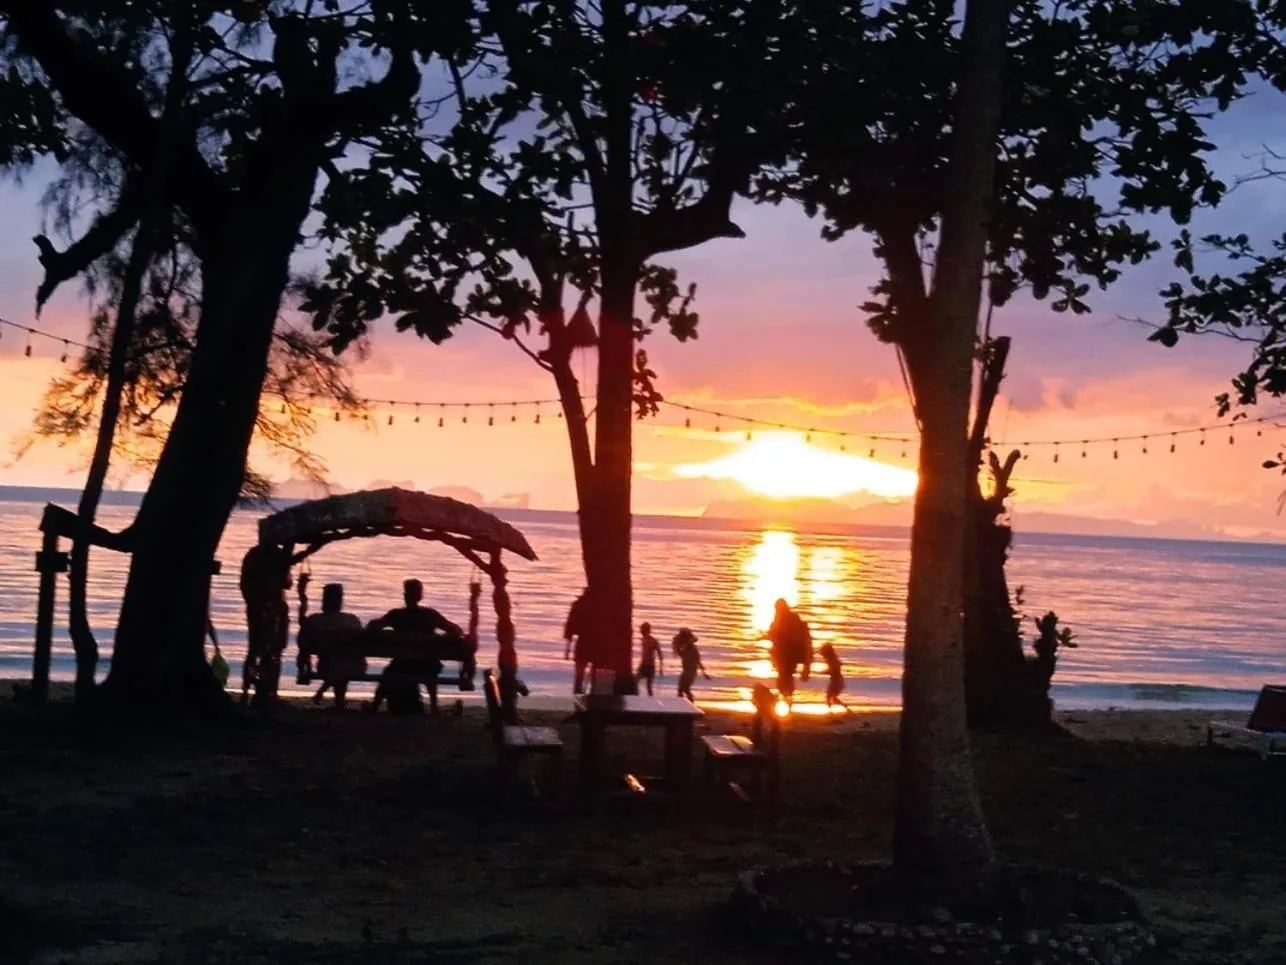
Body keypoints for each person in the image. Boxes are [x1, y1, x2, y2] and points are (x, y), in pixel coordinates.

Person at [367, 579, 464, 715]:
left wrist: (374, 623)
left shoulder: (396, 615)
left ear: (405, 595)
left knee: (388, 674)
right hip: (427, 666)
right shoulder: (430, 615)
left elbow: (372, 627)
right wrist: (441, 639)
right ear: (420, 596)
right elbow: (456, 630)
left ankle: (374, 707)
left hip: (401, 665)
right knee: (430, 672)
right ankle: (434, 707)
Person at [299, 583, 364, 708]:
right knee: (343, 662)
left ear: (324, 600)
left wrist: (304, 667)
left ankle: (326, 696)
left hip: (327, 667)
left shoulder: (315, 620)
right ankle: (338, 701)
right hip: (355, 667)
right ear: (340, 600)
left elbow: (303, 642)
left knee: (335, 663)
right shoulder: (352, 620)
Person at [764, 598, 813, 702]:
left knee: (784, 679)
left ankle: (785, 702)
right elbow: (775, 634)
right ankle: (786, 702)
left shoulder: (784, 619)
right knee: (786, 679)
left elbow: (777, 635)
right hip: (788, 657)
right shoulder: (790, 618)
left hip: (787, 656)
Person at [563, 588, 601, 695]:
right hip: (595, 642)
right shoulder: (598, 605)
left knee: (580, 673)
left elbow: (570, 627)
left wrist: (568, 648)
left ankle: (578, 693)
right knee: (594, 672)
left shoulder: (578, 605)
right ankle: (591, 693)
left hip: (584, 642)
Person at [674, 628, 710, 702]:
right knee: (681, 689)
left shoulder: (693, 649)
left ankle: (690, 704)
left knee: (685, 689)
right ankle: (682, 704)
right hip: (686, 670)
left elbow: (698, 660)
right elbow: (681, 654)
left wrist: (703, 672)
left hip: (691, 671)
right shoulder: (686, 648)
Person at [636, 621, 664, 697]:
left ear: (647, 630)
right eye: (642, 630)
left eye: (643, 630)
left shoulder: (653, 641)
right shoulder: (643, 640)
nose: (642, 632)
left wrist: (661, 668)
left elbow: (660, 654)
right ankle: (636, 697)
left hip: (650, 666)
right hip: (643, 665)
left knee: (648, 687)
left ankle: (650, 701)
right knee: (635, 681)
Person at [819, 643, 847, 712]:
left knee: (830, 697)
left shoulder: (833, 659)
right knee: (832, 697)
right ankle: (838, 710)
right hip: (836, 680)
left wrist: (824, 672)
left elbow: (833, 670)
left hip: (837, 681)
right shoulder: (831, 659)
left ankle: (831, 712)